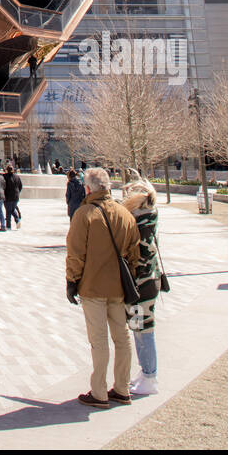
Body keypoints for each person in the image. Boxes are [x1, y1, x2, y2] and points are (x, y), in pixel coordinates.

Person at [65, 166, 141, 409]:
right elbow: (133, 253)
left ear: (88, 188)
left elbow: (76, 254)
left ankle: (99, 392)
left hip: (93, 288)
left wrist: (71, 281)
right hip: (118, 288)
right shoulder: (125, 214)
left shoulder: (84, 214)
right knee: (122, 337)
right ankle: (122, 388)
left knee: (99, 341)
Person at [123, 178, 162, 397]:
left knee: (143, 329)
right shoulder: (150, 215)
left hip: (141, 282)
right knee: (139, 328)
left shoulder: (138, 221)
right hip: (150, 279)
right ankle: (146, 372)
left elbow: (137, 252)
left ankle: (150, 376)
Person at [3, 163, 22, 229]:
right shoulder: (17, 177)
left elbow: (3, 186)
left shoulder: (5, 176)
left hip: (8, 196)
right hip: (16, 196)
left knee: (8, 211)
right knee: (12, 209)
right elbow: (20, 186)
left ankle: (8, 226)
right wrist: (18, 192)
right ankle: (17, 221)